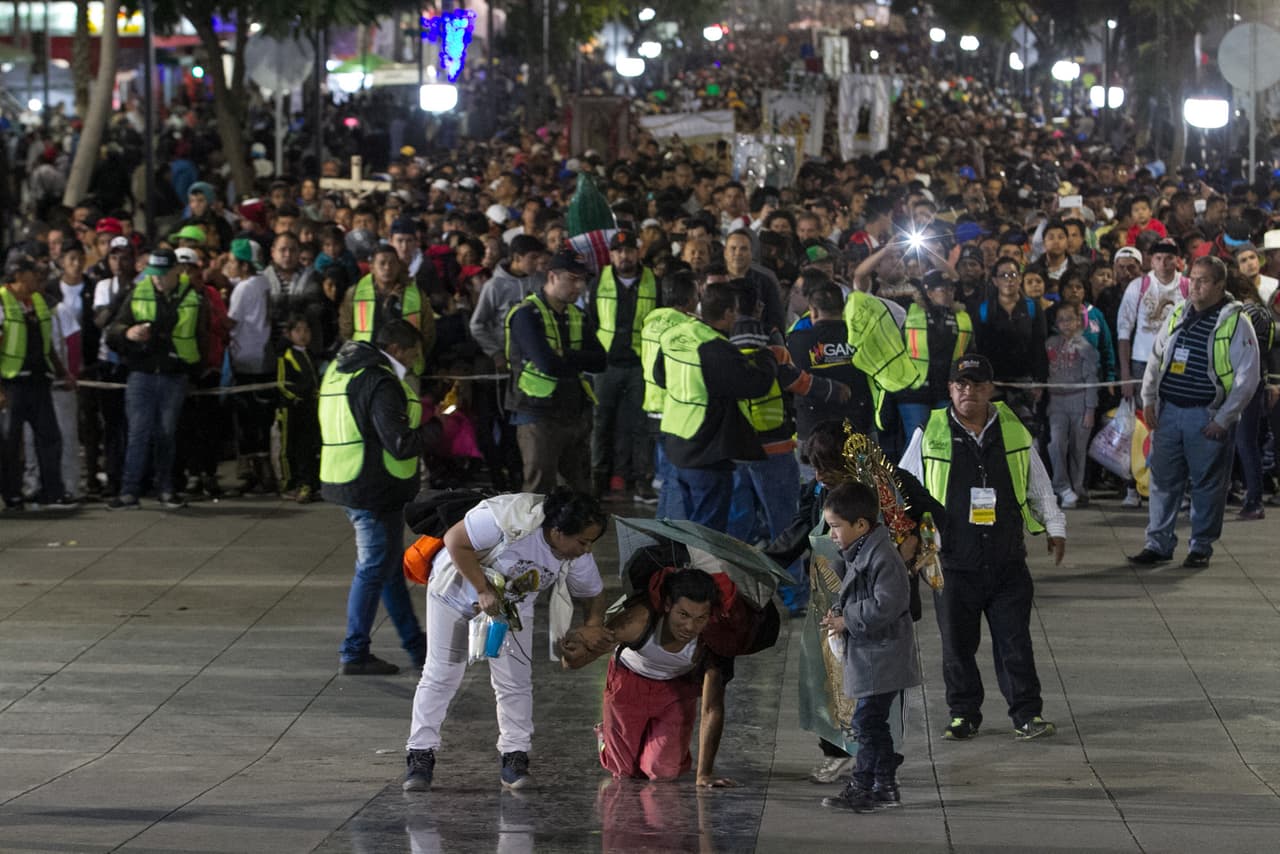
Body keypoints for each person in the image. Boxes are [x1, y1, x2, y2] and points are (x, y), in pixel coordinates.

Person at [900, 354, 1066, 742]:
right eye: (960, 384)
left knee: (1015, 643)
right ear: (949, 389)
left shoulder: (1013, 429)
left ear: (990, 389)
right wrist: (907, 540)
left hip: (1007, 560)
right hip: (952, 562)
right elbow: (904, 487)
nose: (967, 391)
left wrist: (1055, 527)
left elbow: (1038, 483)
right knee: (957, 646)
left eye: (975, 384)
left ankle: (1027, 714)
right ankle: (963, 714)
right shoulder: (931, 430)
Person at [404, 489, 614, 792]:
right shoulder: (507, 518)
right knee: (443, 674)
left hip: (511, 609)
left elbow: (593, 592)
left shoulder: (575, 554)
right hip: (454, 594)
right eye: (582, 541)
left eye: (591, 542)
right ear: (556, 531)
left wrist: (593, 625)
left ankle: (515, 756)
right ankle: (420, 754)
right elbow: (455, 541)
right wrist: (482, 589)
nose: (586, 549)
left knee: (515, 681)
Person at [1128, 257, 1260, 568]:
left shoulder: (1237, 322)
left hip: (1206, 416)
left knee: (1208, 486)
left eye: (1202, 280)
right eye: (1193, 279)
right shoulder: (1178, 313)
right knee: (1162, 481)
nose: (1194, 286)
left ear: (1219, 285)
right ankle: (1157, 544)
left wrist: (1223, 419)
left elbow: (1247, 378)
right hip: (1170, 412)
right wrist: (1148, 399)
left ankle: (1200, 546)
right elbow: (1156, 358)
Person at [320, 320, 432, 675]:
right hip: (372, 487)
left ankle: (417, 647)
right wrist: (438, 429)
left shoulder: (340, 370)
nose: (415, 360)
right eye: (414, 352)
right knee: (373, 568)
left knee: (387, 570)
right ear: (398, 348)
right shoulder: (380, 380)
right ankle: (354, 651)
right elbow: (399, 443)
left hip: (350, 479)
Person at [818, 482, 920, 813]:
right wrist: (837, 613)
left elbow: (889, 603)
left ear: (860, 525)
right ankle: (885, 786)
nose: (831, 534)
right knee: (871, 723)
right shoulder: (858, 552)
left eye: (835, 527)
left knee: (867, 722)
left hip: (883, 653)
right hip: (871, 653)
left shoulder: (881, 555)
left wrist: (846, 619)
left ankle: (864, 785)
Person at [581, 568, 732, 786]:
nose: (690, 627)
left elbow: (712, 708)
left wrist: (704, 774)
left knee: (663, 771)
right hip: (629, 683)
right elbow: (585, 652)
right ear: (669, 605)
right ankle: (606, 734)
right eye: (683, 615)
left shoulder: (713, 640)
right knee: (623, 770)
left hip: (677, 690)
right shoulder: (638, 619)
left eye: (701, 618)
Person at [653, 280, 777, 531]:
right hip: (707, 450)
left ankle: (686, 569)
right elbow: (755, 385)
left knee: (685, 527)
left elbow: (660, 376)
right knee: (707, 533)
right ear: (730, 312)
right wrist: (769, 357)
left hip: (677, 444)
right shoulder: (716, 348)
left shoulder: (675, 333)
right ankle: (703, 570)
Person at [105, 249, 208, 510]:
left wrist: (196, 372)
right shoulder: (137, 293)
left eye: (163, 274)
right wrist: (129, 332)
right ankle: (129, 492)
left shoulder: (193, 297)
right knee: (138, 434)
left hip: (174, 374)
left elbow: (202, 337)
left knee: (166, 434)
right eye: (154, 275)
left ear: (177, 271)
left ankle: (167, 489)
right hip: (142, 374)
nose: (158, 280)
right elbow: (113, 330)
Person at [504, 248, 607, 493]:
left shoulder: (578, 315)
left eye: (582, 280)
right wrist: (574, 360)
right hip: (537, 414)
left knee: (580, 488)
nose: (579, 286)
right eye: (572, 279)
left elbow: (601, 361)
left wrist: (565, 355)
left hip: (575, 411)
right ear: (552, 277)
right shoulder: (526, 315)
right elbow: (546, 364)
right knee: (539, 488)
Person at [1115, 240, 1189, 506]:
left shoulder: (1186, 287)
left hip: (1175, 365)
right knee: (1138, 428)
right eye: (1158, 258)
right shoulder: (1139, 286)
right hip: (1140, 363)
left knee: (1172, 426)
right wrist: (1125, 373)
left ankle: (1171, 488)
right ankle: (1133, 487)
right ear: (1150, 260)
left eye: (1169, 259)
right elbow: (1124, 330)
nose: (1164, 264)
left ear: (1177, 261)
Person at [589, 230, 661, 503]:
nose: (624, 256)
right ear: (611, 254)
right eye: (619, 251)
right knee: (601, 423)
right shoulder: (600, 281)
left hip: (640, 364)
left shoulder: (653, 281)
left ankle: (641, 480)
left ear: (638, 252)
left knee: (640, 426)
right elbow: (592, 320)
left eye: (629, 250)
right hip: (605, 363)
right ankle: (598, 478)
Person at [1, 257, 76, 510]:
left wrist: (62, 373)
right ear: (19, 275)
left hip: (38, 381)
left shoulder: (38, 301)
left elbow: (48, 346)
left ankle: (52, 491)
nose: (39, 278)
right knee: (10, 441)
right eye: (34, 273)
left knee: (50, 437)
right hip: (12, 384)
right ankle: (12, 494)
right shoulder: (2, 302)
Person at [640, 270, 698, 519]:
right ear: (688, 298)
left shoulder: (650, 322)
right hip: (675, 411)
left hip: (652, 408)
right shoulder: (687, 327)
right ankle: (672, 538)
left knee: (666, 476)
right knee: (676, 477)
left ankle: (661, 533)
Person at [898, 270, 973, 443]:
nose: (948, 294)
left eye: (951, 290)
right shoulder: (909, 311)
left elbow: (969, 351)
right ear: (929, 292)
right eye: (942, 289)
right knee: (916, 441)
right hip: (914, 390)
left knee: (943, 440)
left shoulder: (962, 317)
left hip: (946, 389)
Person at [340, 244, 435, 375]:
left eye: (392, 263)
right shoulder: (355, 293)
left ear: (399, 266)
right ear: (372, 267)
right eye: (382, 263)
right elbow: (346, 330)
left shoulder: (415, 294)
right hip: (365, 366)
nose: (387, 268)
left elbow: (428, 331)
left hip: (406, 368)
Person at [1045, 307, 1099, 508]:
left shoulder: (1086, 347)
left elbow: (1092, 378)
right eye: (1061, 319)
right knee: (1056, 443)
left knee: (1078, 447)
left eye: (1070, 319)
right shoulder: (1050, 344)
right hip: (1056, 402)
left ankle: (1076, 488)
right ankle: (1061, 485)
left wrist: (1090, 409)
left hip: (1080, 401)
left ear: (1079, 321)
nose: (1066, 323)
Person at [276, 314, 321, 503]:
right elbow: (282, 384)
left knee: (308, 446)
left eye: (306, 330)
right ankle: (289, 484)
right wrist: (297, 398)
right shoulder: (286, 356)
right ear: (289, 334)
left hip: (309, 409)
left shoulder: (310, 354)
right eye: (298, 330)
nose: (302, 335)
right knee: (288, 447)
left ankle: (309, 482)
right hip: (291, 409)